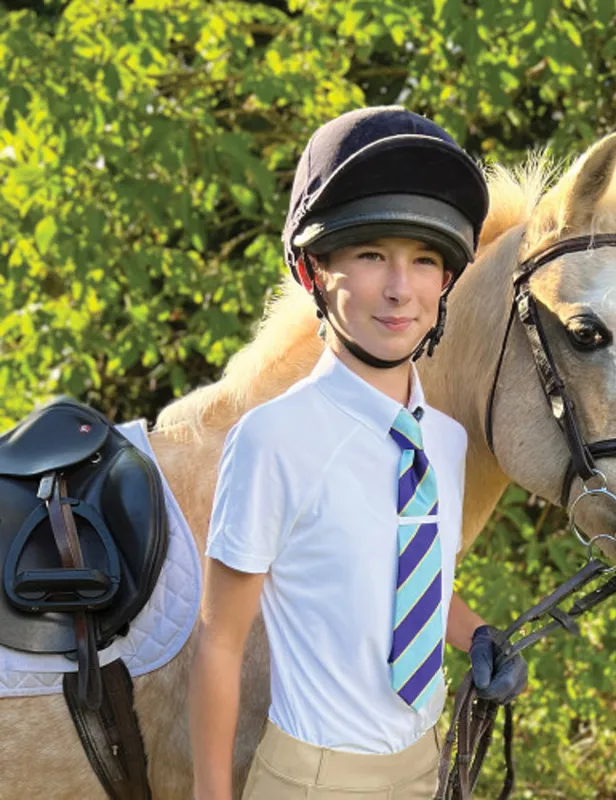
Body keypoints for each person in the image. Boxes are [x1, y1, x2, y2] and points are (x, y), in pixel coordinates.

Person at [188, 106, 529, 800]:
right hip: (313, 780)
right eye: (372, 254)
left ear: (445, 283)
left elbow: (403, 581)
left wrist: (476, 633)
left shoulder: (446, 441)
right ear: (316, 272)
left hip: (425, 764)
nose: (401, 287)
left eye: (425, 260)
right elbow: (219, 641)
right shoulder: (273, 440)